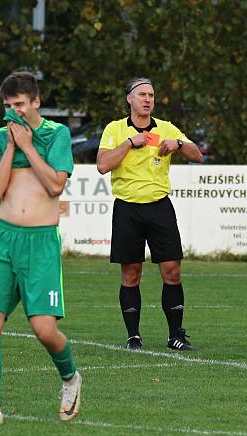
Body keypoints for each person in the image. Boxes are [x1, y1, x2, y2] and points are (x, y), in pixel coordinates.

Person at [0, 72, 81, 426]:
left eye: (19, 104)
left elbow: (54, 186)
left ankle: (70, 378)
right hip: (3, 238)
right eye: (8, 106)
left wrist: (29, 146)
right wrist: (14, 146)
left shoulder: (57, 135)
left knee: (44, 329)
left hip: (40, 242)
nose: (13, 112)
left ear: (35, 102)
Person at [96, 77, 203, 351]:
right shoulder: (116, 129)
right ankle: (134, 336)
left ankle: (175, 335)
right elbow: (103, 165)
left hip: (159, 207)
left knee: (172, 270)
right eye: (142, 94)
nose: (147, 99)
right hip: (127, 208)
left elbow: (197, 155)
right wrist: (130, 143)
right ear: (129, 98)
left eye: (151, 95)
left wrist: (177, 144)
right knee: (131, 274)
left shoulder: (166, 128)